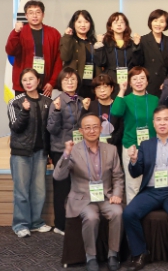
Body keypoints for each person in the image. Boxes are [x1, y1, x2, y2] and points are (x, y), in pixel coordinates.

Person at [123, 106, 168, 271]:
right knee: (129, 213)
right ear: (154, 123)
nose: (162, 123)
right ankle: (140, 253)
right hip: (151, 191)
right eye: (158, 120)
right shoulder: (146, 145)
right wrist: (134, 160)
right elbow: (135, 173)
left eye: (166, 119)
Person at [53, 114, 124, 271]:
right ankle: (90, 256)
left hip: (105, 196)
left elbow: (118, 176)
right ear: (81, 131)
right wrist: (66, 154)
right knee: (91, 217)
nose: (92, 131)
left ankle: (113, 254)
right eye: (88, 127)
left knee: (118, 212)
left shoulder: (111, 149)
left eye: (95, 127)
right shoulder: (73, 150)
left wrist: (117, 194)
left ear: (101, 128)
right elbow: (58, 176)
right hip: (82, 198)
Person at [8, 68, 53, 238]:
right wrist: (25, 111)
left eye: (31, 79)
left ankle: (36, 222)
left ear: (38, 81)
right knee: (21, 191)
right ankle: (20, 224)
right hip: (21, 153)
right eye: (24, 80)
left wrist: (49, 152)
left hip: (40, 153)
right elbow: (16, 127)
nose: (28, 82)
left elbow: (49, 130)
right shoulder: (15, 102)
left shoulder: (48, 101)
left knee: (39, 191)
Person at [47, 67, 91, 234]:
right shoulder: (57, 102)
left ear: (77, 81)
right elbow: (52, 129)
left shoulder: (81, 101)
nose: (70, 82)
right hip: (61, 150)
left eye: (73, 79)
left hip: (79, 150)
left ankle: (75, 221)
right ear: (61, 82)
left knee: (78, 187)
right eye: (66, 79)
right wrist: (57, 111)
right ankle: (60, 225)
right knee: (62, 188)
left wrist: (85, 109)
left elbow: (83, 126)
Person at [112, 67, 160, 203]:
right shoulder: (126, 99)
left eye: (142, 78)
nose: (139, 81)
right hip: (131, 146)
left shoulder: (154, 99)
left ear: (147, 81)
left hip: (152, 147)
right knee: (133, 185)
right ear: (130, 82)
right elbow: (115, 112)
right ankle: (133, 213)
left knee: (152, 183)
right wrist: (122, 90)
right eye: (135, 79)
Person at [5, 0, 62, 97]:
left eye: (38, 12)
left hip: (45, 86)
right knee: (23, 107)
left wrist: (52, 82)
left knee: (44, 107)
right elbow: (11, 50)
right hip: (23, 86)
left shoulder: (53, 33)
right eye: (31, 13)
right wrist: (16, 32)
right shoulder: (19, 32)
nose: (34, 16)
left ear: (43, 15)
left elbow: (58, 60)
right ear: (26, 16)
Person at [94, 12, 142, 96]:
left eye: (122, 22)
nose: (119, 25)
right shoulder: (105, 42)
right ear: (111, 27)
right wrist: (99, 44)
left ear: (126, 26)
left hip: (129, 79)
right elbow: (101, 62)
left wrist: (137, 46)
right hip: (110, 79)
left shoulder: (131, 43)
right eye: (116, 22)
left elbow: (137, 62)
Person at [60, 10, 98, 99]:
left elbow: (98, 65)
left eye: (86, 22)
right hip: (74, 84)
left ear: (90, 24)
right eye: (79, 22)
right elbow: (65, 57)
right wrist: (67, 37)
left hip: (90, 85)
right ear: (74, 24)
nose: (83, 25)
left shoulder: (93, 42)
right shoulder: (69, 39)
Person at [136, 9, 168, 97]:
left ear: (166, 24)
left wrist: (167, 81)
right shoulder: (143, 40)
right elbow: (137, 63)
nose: (158, 24)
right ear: (150, 22)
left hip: (165, 84)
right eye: (155, 21)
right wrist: (136, 46)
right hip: (148, 84)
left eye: (162, 21)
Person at [88, 74, 124, 156]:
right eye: (98, 87)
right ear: (94, 90)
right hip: (94, 148)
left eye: (105, 87)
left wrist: (112, 140)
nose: (102, 90)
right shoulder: (90, 106)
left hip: (115, 148)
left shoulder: (118, 105)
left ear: (112, 88)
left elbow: (121, 127)